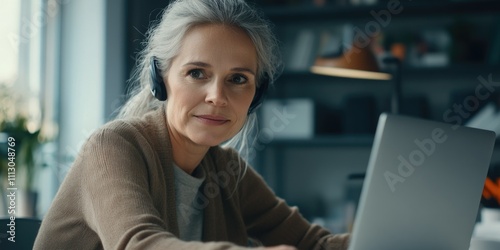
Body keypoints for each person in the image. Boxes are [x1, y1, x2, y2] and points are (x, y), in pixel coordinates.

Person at [33, 0, 349, 249]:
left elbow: (316, 244)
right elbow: (139, 245)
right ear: (161, 79)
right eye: (197, 72)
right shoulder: (112, 147)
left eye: (238, 79)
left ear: (256, 95)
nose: (217, 96)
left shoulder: (228, 171)